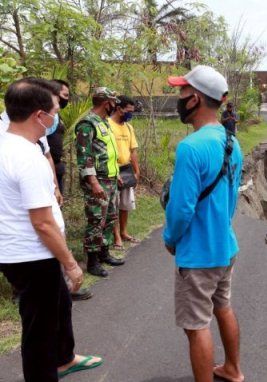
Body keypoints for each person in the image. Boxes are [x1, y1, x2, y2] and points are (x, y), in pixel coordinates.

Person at [0, 78, 103, 381]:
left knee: (55, 310)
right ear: (38, 115)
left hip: (20, 252)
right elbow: (42, 222)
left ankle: (64, 359)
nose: (58, 115)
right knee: (39, 333)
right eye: (55, 109)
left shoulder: (8, 145)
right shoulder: (26, 157)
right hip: (31, 256)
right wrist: (71, 264)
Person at [164, 65, 244, 382]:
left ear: (195, 99)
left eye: (182, 93)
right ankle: (233, 369)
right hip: (225, 244)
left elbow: (181, 209)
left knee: (196, 325)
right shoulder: (230, 141)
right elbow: (232, 198)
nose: (179, 98)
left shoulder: (191, 147)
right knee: (222, 306)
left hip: (198, 253)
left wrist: (171, 238)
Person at [75, 87, 124, 277]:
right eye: (113, 102)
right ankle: (92, 261)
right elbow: (84, 156)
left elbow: (107, 152)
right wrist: (93, 182)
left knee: (110, 217)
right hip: (98, 180)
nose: (115, 106)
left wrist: (116, 173)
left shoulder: (103, 122)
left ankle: (104, 253)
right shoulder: (87, 124)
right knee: (96, 220)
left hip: (110, 178)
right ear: (107, 103)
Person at [109, 95, 141, 250]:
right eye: (128, 111)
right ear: (119, 108)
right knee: (113, 205)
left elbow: (133, 151)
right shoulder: (107, 125)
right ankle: (116, 237)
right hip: (113, 170)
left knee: (125, 204)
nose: (130, 114)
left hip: (126, 169)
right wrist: (114, 173)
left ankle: (123, 232)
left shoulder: (129, 127)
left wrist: (137, 171)